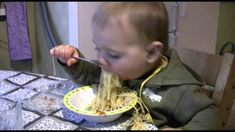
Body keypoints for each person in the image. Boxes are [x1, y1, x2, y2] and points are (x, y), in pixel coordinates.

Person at [50, 2, 222, 130]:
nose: (102, 60)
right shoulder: (118, 67)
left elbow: (210, 115)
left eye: (113, 54)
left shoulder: (178, 89)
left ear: (152, 53)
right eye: (98, 49)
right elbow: (92, 75)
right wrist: (75, 63)